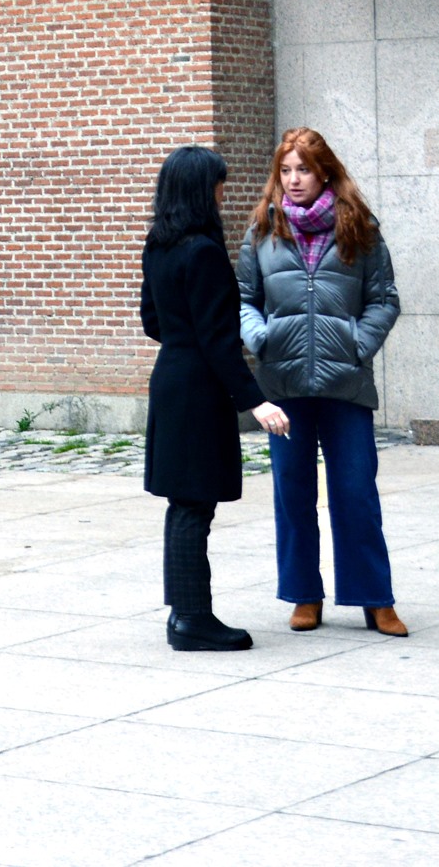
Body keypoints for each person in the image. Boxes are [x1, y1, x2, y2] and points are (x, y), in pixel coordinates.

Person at [236, 127, 405, 636]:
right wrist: (260, 337)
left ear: (324, 170)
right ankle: (304, 595)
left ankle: (375, 598)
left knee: (355, 490)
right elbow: (243, 297)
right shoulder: (263, 230)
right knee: (292, 492)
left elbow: (385, 299)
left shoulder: (360, 226)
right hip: (283, 383)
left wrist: (357, 344)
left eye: (303, 169)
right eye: (285, 170)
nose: (293, 180)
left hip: (345, 383)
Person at [141, 146, 292, 651]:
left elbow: (152, 322)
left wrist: (185, 344)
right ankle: (191, 620)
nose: (224, 193)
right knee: (193, 507)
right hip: (197, 389)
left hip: (172, 377)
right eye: (218, 184)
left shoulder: (160, 245)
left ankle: (184, 613)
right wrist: (257, 401)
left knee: (183, 503)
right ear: (202, 190)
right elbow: (218, 339)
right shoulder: (202, 251)